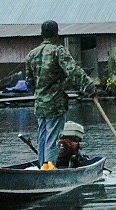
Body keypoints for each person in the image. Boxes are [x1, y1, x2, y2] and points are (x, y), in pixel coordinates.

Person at [25, 20, 97, 168]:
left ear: (41, 35)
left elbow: (29, 82)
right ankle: (49, 168)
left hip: (39, 104)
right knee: (52, 137)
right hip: (55, 103)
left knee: (42, 136)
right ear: (57, 35)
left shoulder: (31, 55)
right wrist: (89, 88)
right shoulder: (59, 51)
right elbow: (74, 72)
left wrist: (40, 92)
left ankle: (42, 165)